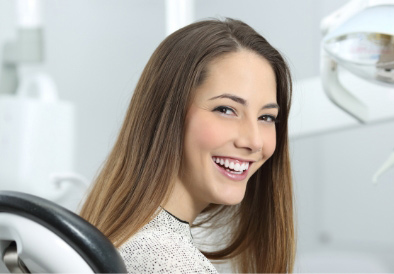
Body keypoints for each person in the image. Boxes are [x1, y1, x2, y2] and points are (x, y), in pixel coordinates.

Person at [79, 18, 295, 273]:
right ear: (168, 114)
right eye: (226, 109)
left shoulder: (129, 239)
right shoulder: (168, 260)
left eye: (266, 117)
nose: (254, 141)